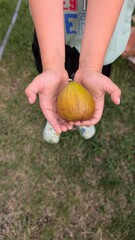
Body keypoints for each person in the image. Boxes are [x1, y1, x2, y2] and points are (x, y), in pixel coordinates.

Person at [25, 0, 135, 143]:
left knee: (91, 83)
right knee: (55, 82)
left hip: (103, 38)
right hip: (51, 32)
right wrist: (52, 65)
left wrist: (92, 67)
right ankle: (57, 110)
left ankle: (82, 119)